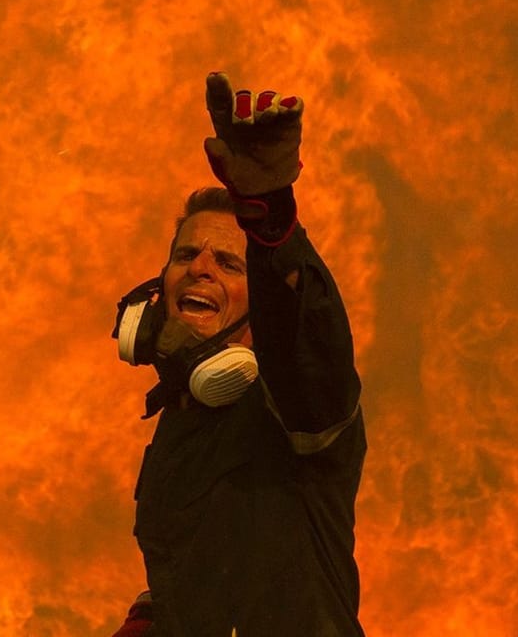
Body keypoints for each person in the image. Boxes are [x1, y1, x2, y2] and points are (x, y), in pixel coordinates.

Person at [108, 73, 366, 636]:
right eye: (187, 255)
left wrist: (270, 216)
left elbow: (305, 335)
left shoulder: (298, 411)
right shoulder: (179, 429)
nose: (200, 267)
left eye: (229, 263)